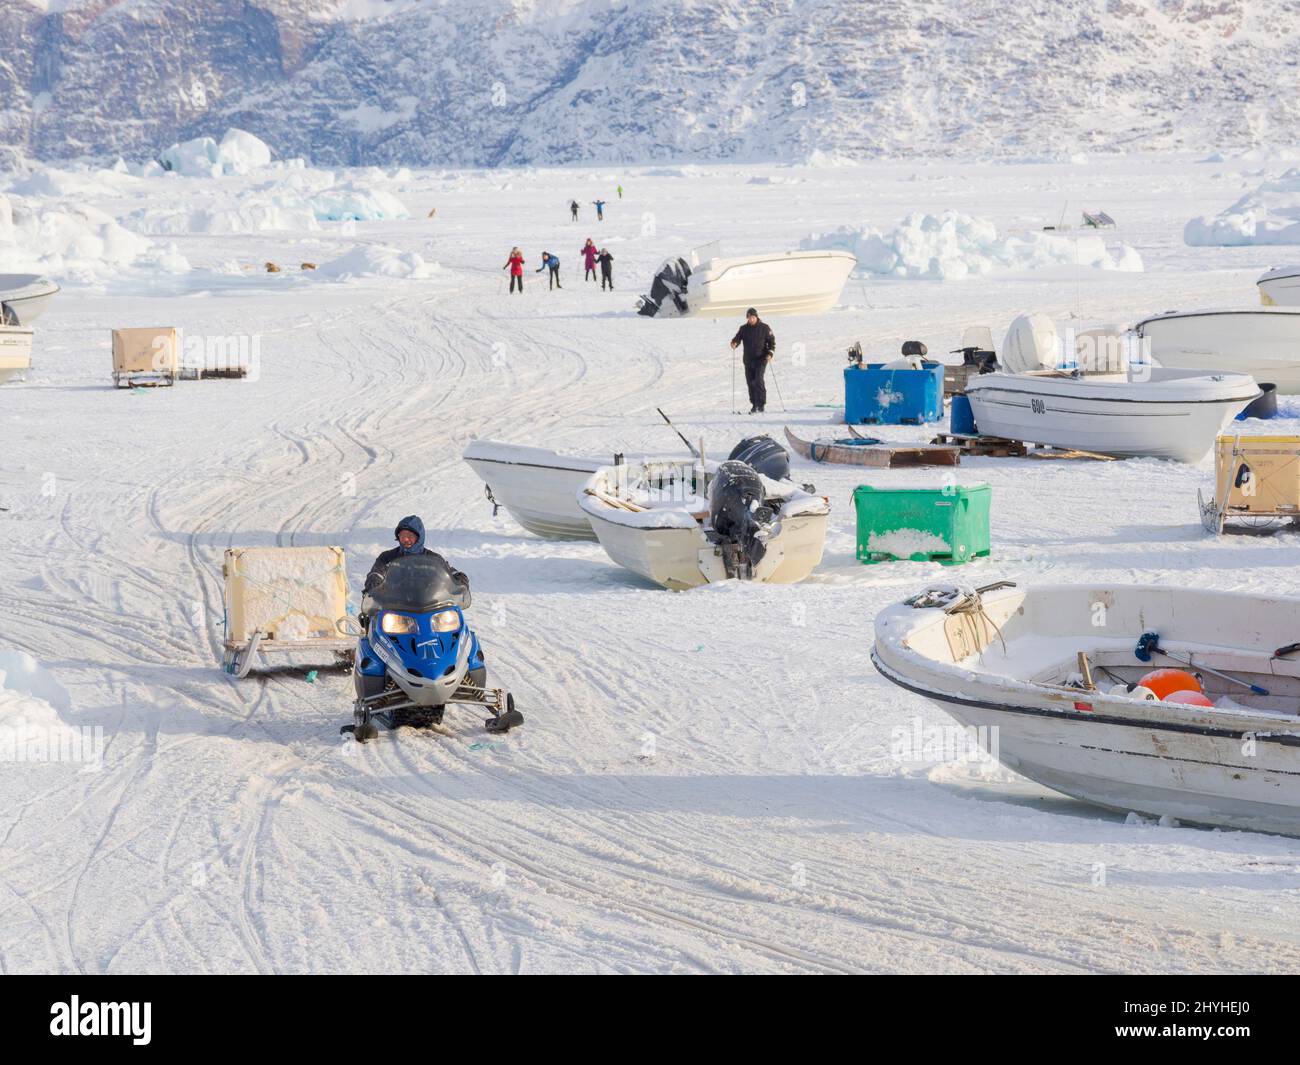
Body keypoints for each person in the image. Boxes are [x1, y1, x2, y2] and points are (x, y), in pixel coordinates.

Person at [363, 515, 470, 602]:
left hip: (429, 605)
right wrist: (374, 581)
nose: (405, 539)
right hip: (395, 605)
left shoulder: (433, 559)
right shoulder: (387, 557)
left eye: (410, 535)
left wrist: (459, 579)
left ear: (419, 537)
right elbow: (376, 572)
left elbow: (448, 572)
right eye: (402, 535)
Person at [729, 307, 775, 414]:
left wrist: (770, 353)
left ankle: (761, 404)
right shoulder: (743, 329)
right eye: (749, 317)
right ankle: (754, 404)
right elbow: (737, 338)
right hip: (748, 360)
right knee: (750, 383)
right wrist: (734, 343)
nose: (751, 319)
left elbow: (771, 342)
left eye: (753, 317)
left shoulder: (764, 328)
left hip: (761, 359)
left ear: (756, 317)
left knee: (758, 380)